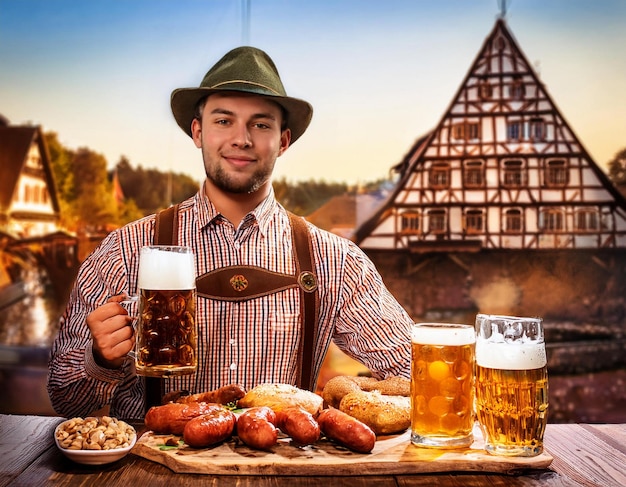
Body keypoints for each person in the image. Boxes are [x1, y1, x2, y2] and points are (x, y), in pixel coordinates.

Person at [48, 46, 413, 420]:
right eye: (224, 121)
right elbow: (64, 400)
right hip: (152, 475)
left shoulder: (335, 260)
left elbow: (414, 370)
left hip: (280, 473)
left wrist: (352, 395)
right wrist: (99, 359)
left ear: (283, 141)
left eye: (260, 124)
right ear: (198, 131)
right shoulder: (123, 251)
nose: (242, 139)